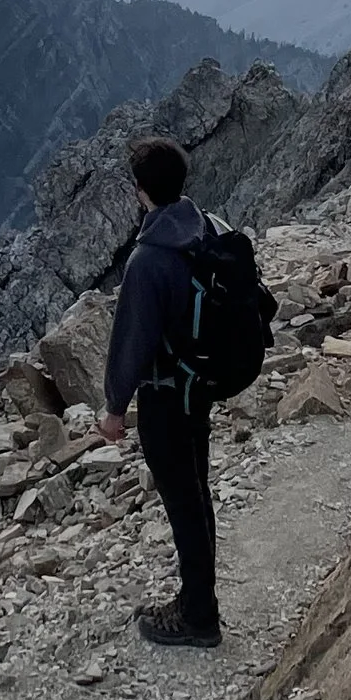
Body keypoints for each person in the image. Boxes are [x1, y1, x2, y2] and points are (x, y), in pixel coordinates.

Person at [98, 135, 222, 648]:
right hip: (200, 389)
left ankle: (198, 618)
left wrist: (113, 410)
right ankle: (199, 602)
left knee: (183, 504)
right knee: (197, 496)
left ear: (140, 192)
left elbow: (131, 343)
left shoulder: (149, 261)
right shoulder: (207, 229)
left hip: (165, 397)